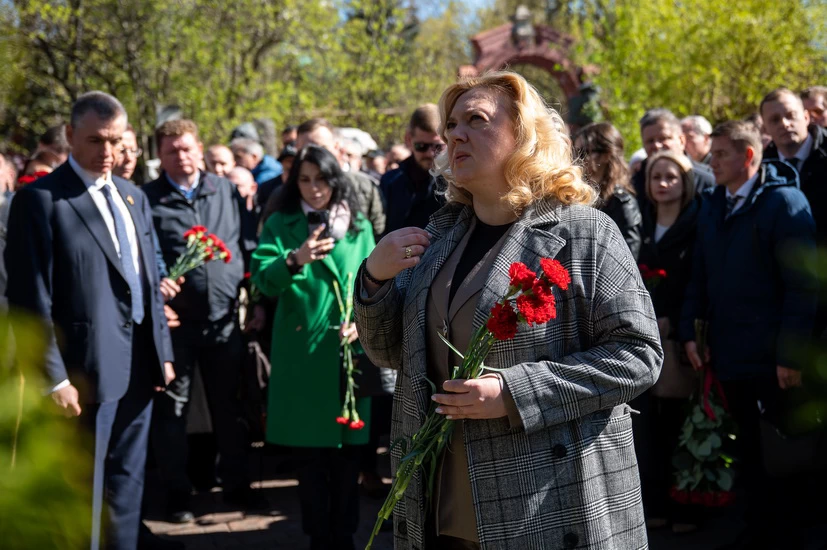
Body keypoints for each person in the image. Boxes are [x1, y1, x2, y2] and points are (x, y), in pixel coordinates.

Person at [354, 71, 662, 549]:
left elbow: (639, 356)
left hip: (549, 507)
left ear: (522, 133)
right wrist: (373, 280)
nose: (455, 135)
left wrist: (515, 393)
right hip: (440, 506)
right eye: (451, 125)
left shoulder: (584, 232)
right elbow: (390, 354)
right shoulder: (438, 239)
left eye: (475, 120)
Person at [4, 91, 175, 549]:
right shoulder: (39, 201)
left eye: (116, 141)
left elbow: (146, 280)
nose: (108, 152)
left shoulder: (133, 196)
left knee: (127, 489)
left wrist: (162, 351)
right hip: (81, 375)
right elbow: (29, 299)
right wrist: (53, 379)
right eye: (96, 140)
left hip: (139, 368)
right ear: (70, 135)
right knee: (84, 496)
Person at [680, 120, 817, 550]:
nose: (712, 162)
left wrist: (791, 355)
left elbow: (803, 285)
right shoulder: (712, 204)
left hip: (773, 359)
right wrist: (690, 331)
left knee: (783, 452)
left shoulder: (784, 202)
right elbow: (699, 274)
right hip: (729, 352)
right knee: (749, 452)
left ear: (749, 156)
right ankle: (758, 531)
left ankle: (789, 537)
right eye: (713, 153)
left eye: (721, 153)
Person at [251, 145, 376, 550]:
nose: (314, 188)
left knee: (348, 460)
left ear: (335, 180)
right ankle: (318, 539)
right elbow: (262, 280)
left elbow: (376, 281)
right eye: (304, 180)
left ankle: (345, 537)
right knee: (309, 462)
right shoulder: (281, 222)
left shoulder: (358, 225)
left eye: (321, 179)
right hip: (302, 355)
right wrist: (295, 259)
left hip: (347, 355)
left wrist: (362, 321)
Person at [143, 119, 263, 523]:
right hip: (176, 325)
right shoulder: (148, 199)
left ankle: (237, 486)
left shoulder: (224, 190)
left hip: (224, 321)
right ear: (160, 155)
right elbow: (143, 257)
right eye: (172, 150)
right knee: (172, 412)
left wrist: (254, 299)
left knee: (229, 407)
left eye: (187, 148)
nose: (181, 156)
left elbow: (246, 245)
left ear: (200, 149)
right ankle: (177, 495)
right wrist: (156, 293)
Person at [634, 151, 700, 534]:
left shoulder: (697, 222)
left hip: (679, 336)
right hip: (645, 334)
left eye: (671, 176)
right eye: (656, 176)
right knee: (650, 428)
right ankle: (655, 503)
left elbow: (697, 278)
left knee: (680, 423)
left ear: (684, 181)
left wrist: (675, 318)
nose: (662, 183)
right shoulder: (642, 221)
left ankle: (686, 507)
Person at [290, 118, 386, 237]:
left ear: (336, 147)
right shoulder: (284, 193)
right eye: (307, 149)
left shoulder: (364, 186)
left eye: (322, 148)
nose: (314, 156)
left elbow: (378, 233)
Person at [573, 122, 642, 259]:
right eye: (575, 152)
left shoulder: (622, 203)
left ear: (606, 154)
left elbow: (628, 258)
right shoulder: (576, 195)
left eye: (583, 152)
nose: (576, 159)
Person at [380, 104, 446, 238]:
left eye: (437, 147)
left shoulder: (455, 182)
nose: (430, 153)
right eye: (421, 146)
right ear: (408, 140)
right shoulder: (390, 181)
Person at [632, 109, 715, 214]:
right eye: (650, 141)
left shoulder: (707, 180)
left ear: (681, 140)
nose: (656, 145)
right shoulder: (634, 184)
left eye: (663, 138)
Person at [230, 137, 283, 207]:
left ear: (254, 157)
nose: (235, 161)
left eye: (238, 157)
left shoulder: (269, 175)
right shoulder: (257, 171)